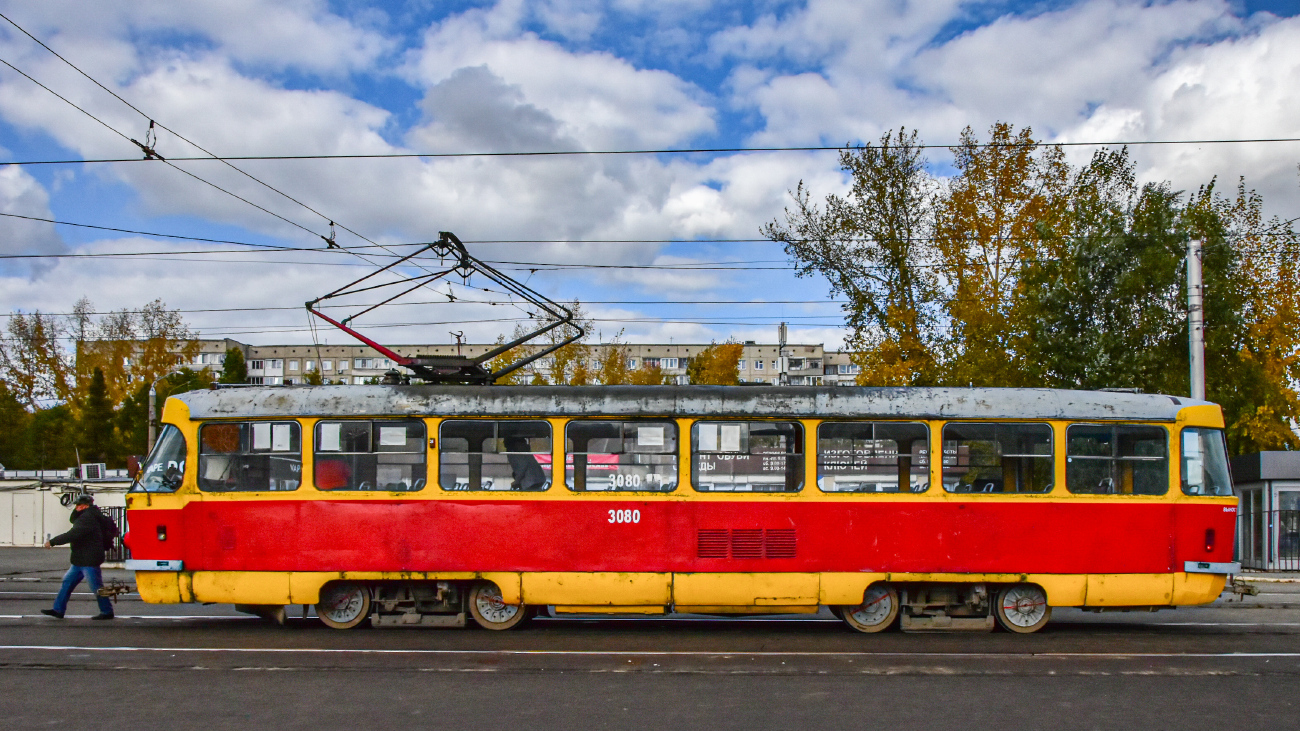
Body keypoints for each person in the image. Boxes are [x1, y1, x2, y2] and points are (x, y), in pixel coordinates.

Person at [41, 495, 114, 620]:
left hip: (89, 559)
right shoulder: (86, 515)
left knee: (96, 586)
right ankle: (58, 610)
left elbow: (72, 534)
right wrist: (77, 511)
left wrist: (52, 542)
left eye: (78, 505)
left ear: (85, 506)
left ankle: (107, 611)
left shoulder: (88, 518)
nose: (76, 507)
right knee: (67, 582)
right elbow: (73, 520)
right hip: (81, 559)